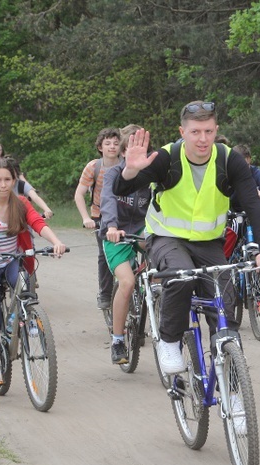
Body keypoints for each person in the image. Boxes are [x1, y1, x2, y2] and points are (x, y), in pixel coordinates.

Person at [113, 100, 260, 374]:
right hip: (166, 238)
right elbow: (121, 186)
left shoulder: (228, 159)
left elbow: (253, 205)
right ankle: (169, 340)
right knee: (181, 275)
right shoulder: (167, 158)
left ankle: (233, 388)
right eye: (195, 132)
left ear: (216, 130)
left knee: (224, 301)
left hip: (209, 242)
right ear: (182, 131)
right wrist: (130, 169)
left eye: (209, 132)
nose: (203, 139)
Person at [0, 158, 66, 390]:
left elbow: (37, 223)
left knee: (25, 288)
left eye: (7, 179)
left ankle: (22, 318)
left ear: (14, 180)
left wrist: (56, 242)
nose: (3, 185)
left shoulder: (21, 202)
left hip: (13, 260)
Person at [99, 125, 152, 364]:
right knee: (127, 282)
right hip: (116, 232)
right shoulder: (113, 173)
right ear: (122, 151)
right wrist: (110, 226)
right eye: (130, 148)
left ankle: (156, 304)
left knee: (164, 265)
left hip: (141, 229)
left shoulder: (150, 175)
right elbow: (108, 199)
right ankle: (118, 340)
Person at [73, 127, 121, 309]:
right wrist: (86, 218)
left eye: (116, 144)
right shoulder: (94, 167)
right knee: (105, 255)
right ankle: (105, 294)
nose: (112, 147)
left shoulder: (126, 164)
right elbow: (79, 194)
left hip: (124, 215)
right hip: (100, 216)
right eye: (107, 143)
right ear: (100, 147)